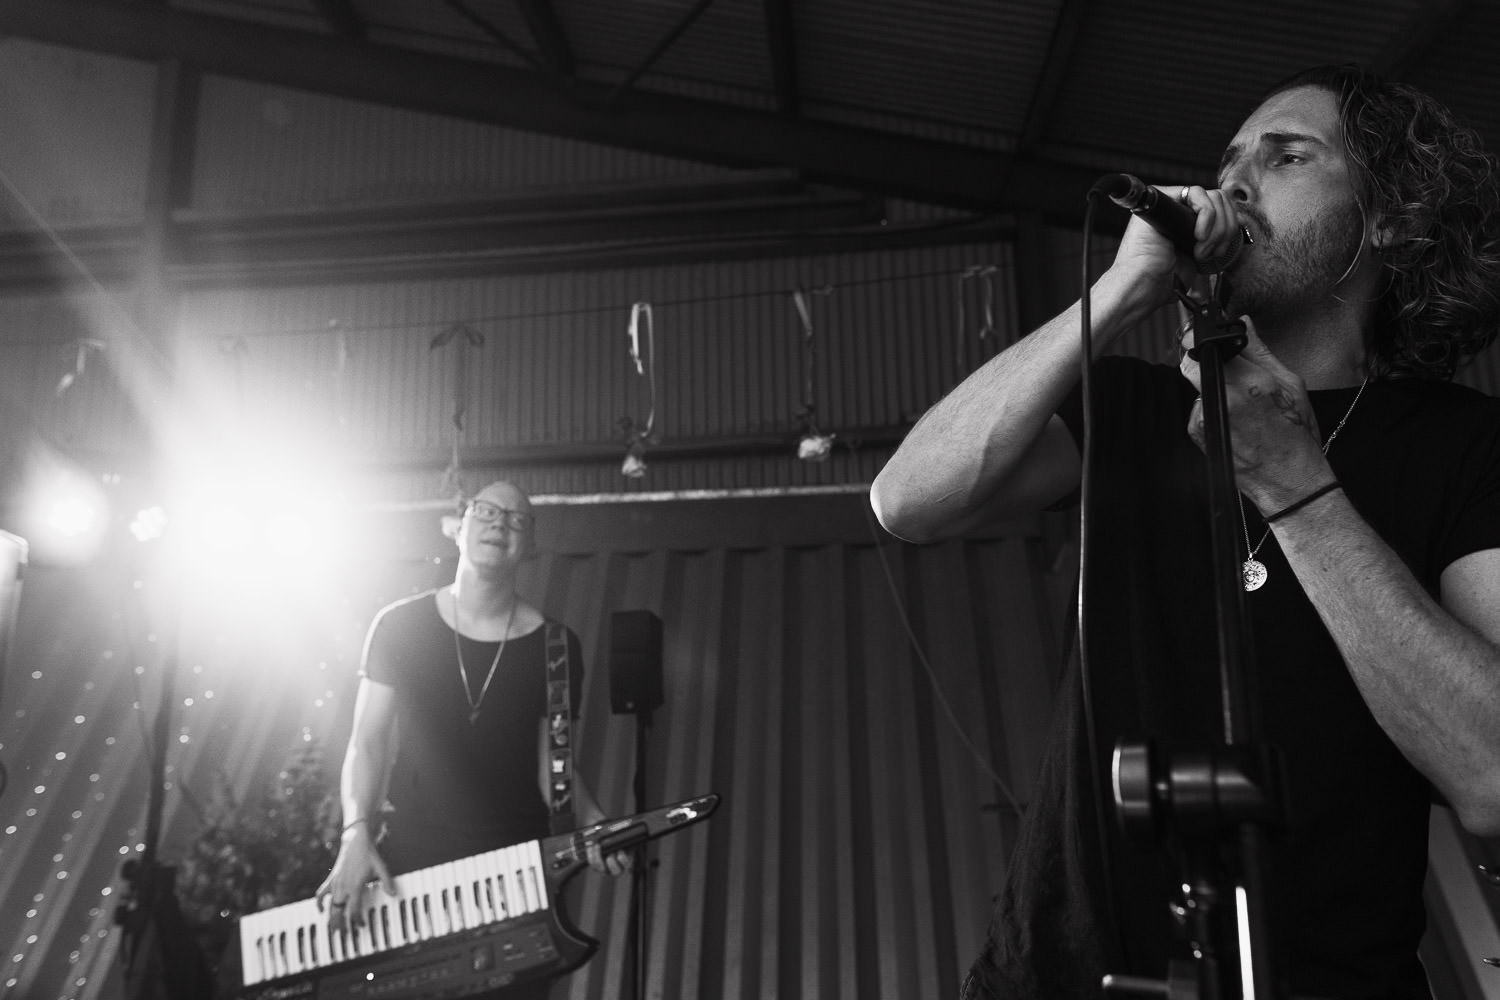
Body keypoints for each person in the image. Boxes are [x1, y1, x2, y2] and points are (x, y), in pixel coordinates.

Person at [871, 65, 1500, 999]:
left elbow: (1489, 770)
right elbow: (906, 500)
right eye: (1228, 161)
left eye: (1287, 157)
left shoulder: (1464, 444)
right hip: (1057, 979)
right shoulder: (1131, 407)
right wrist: (1123, 289)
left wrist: (1299, 492)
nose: (1233, 183)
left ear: (1387, 220)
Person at [316, 480, 627, 1000]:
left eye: (516, 519)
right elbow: (366, 743)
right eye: (485, 511)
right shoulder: (399, 625)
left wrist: (597, 824)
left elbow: (554, 764)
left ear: (528, 547)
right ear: (457, 529)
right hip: (411, 867)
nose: (498, 523)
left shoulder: (556, 645)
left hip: (515, 878)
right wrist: (355, 833)